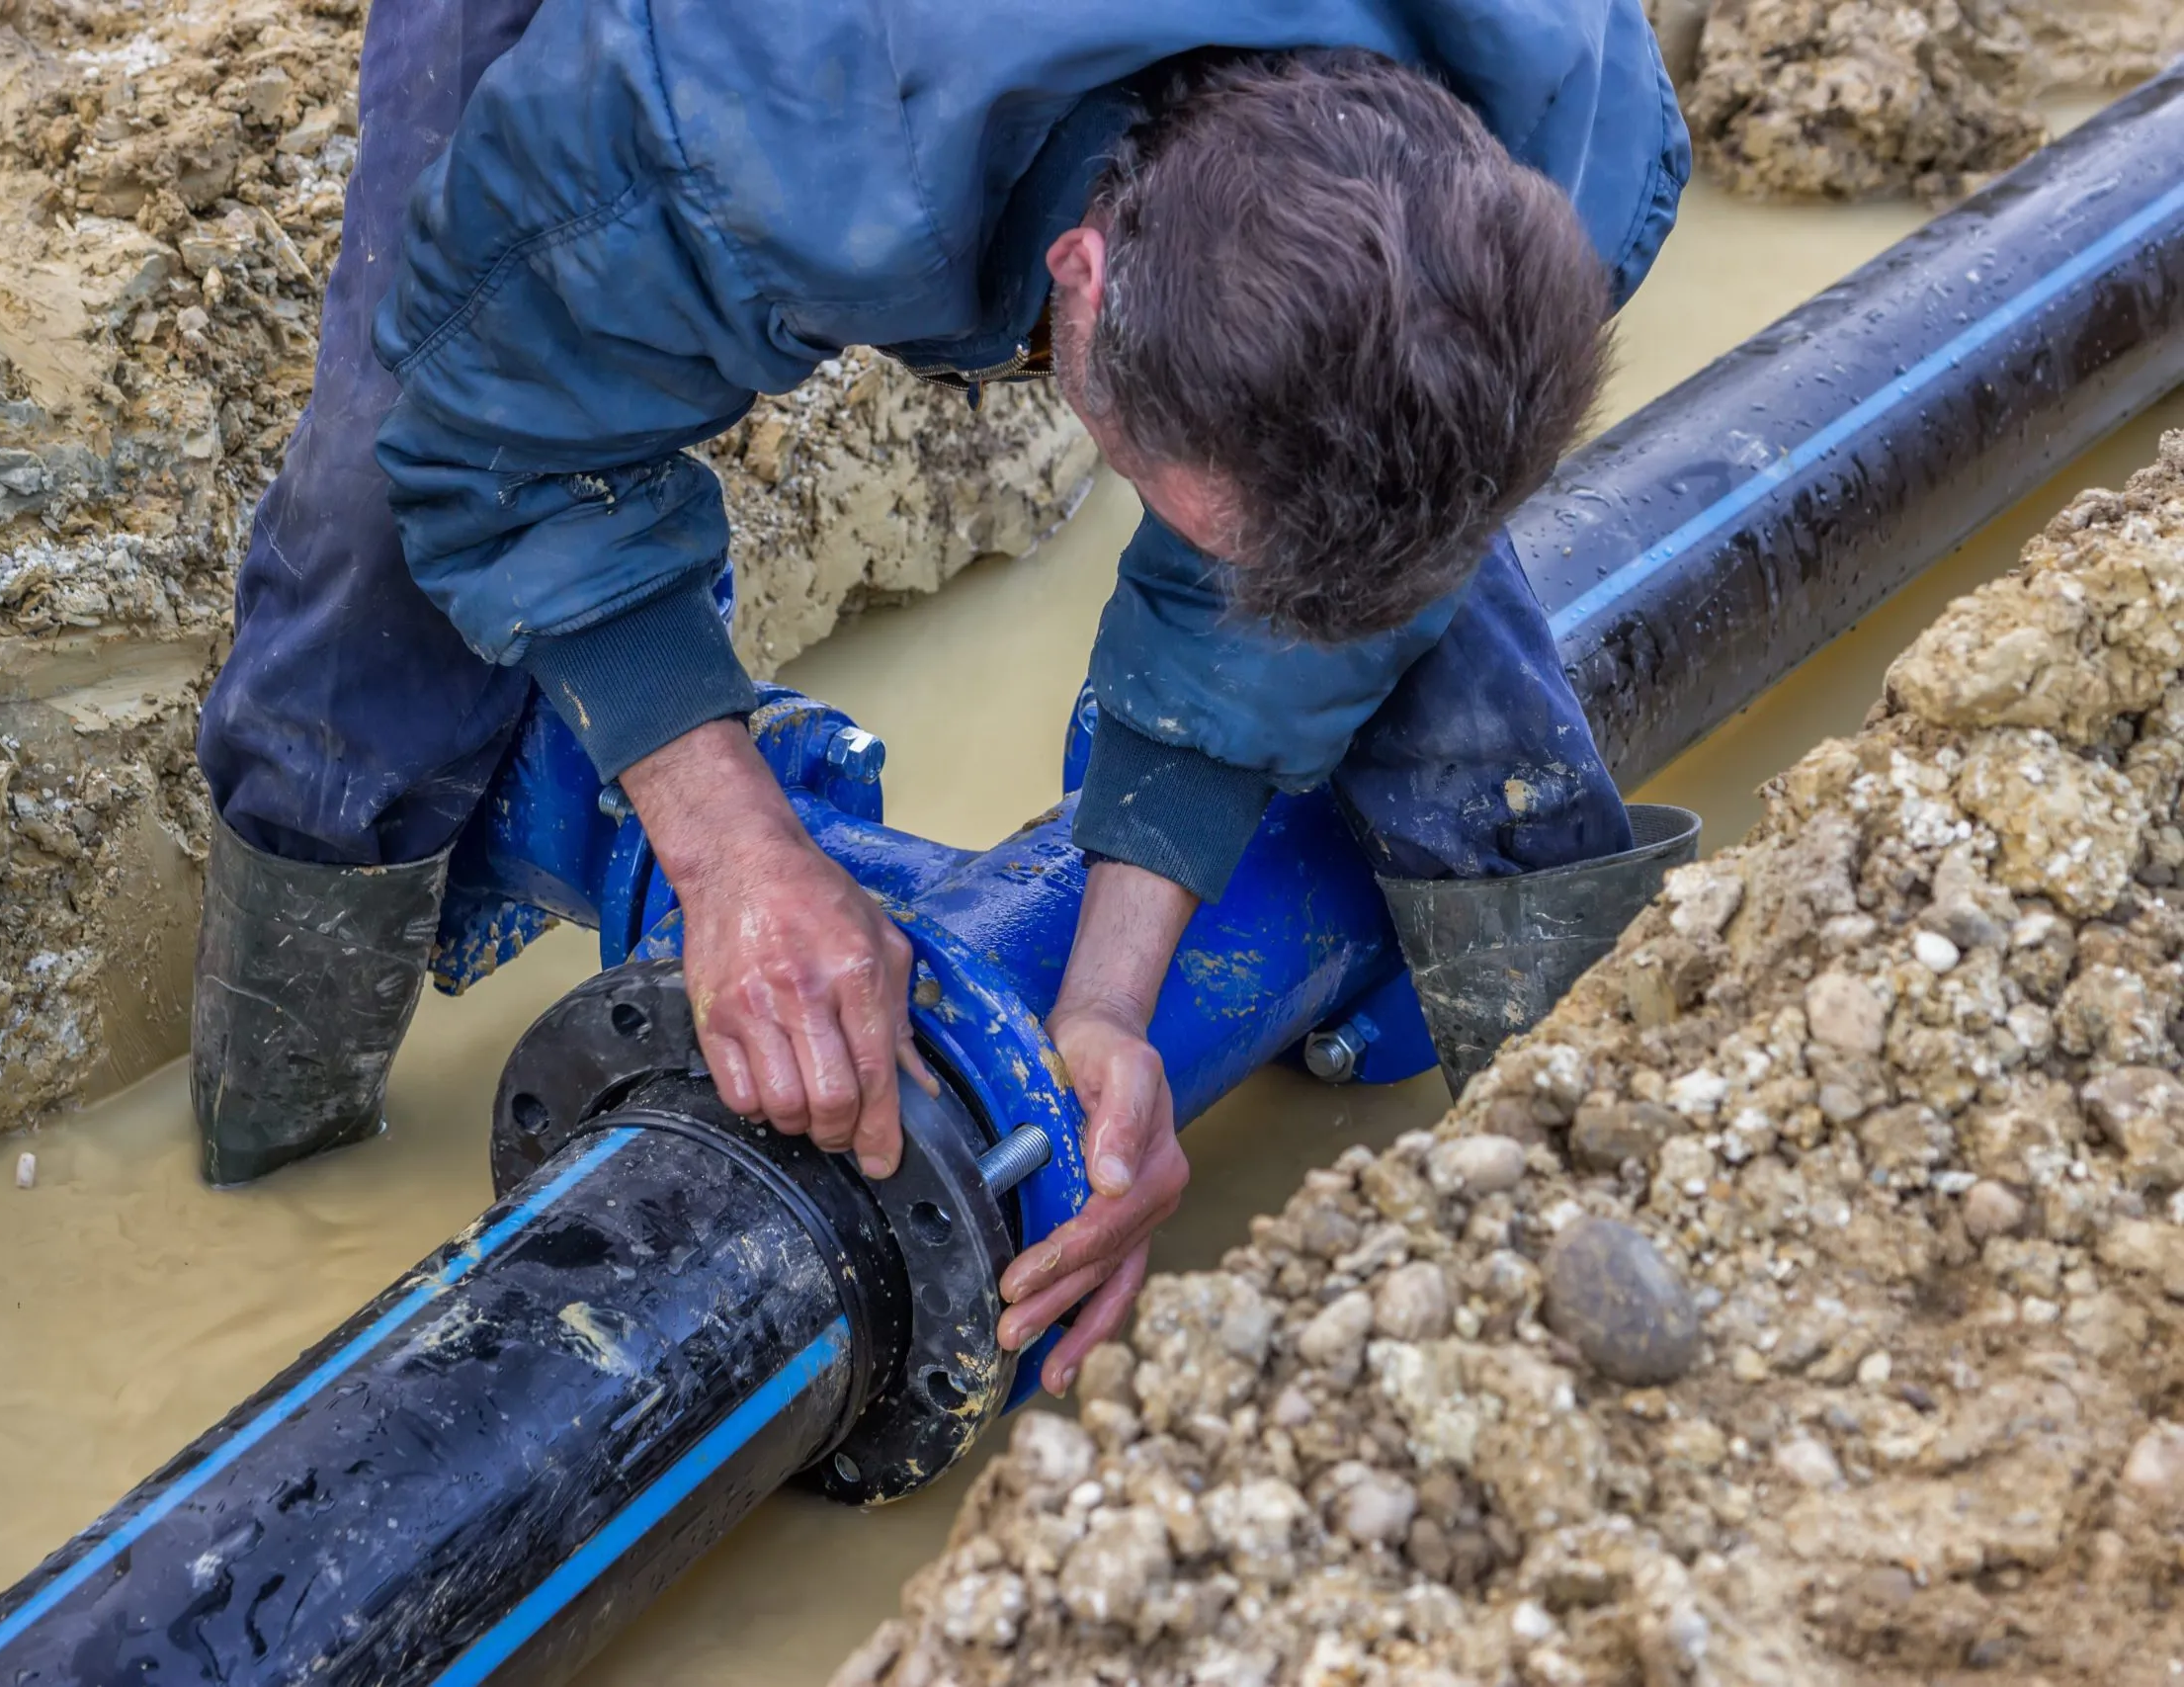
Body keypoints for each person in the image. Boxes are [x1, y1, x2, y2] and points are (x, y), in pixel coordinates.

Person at [194, 0, 1689, 1397]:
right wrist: (732, 855)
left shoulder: (1565, 132)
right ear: (1079, 282)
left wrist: (1109, 1001)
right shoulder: (754, 120)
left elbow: (1334, 571)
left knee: (1390, 559)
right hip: (801, 79)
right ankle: (273, 1127)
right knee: (377, 504)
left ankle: (1588, 1175)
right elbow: (495, 429)